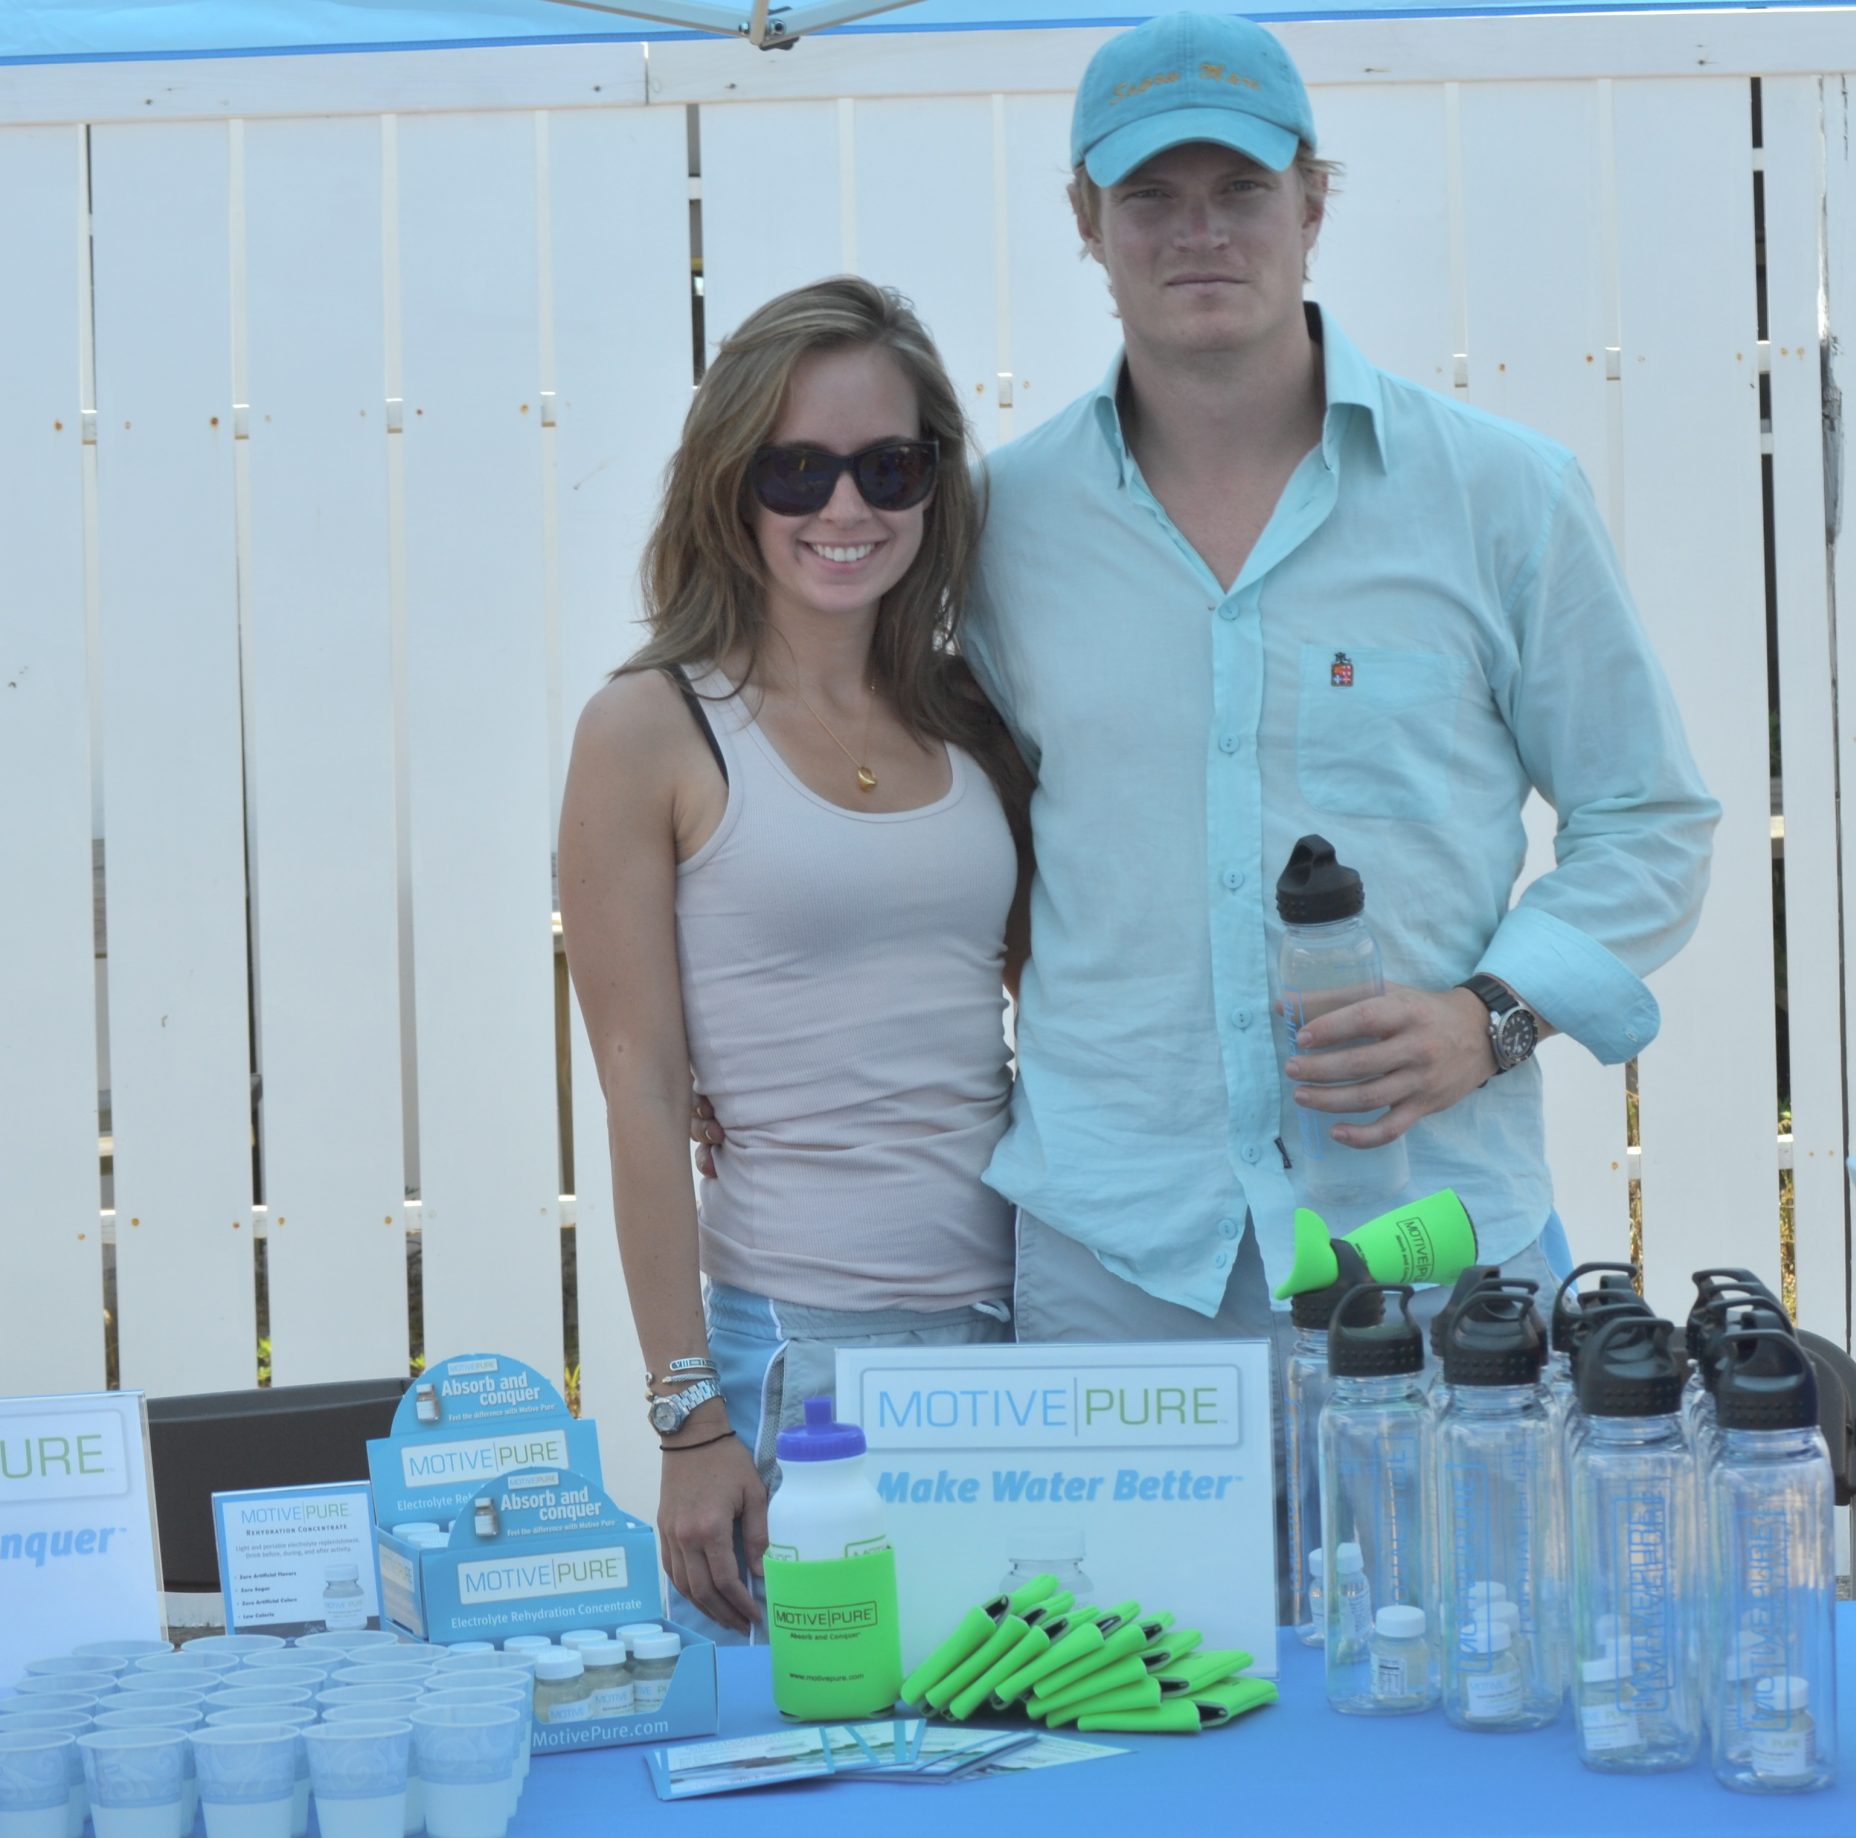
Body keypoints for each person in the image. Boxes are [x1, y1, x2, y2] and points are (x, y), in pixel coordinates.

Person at [964, 13, 1721, 1338]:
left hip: (1432, 1243)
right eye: (1150, 193)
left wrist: (1488, 1015)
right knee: (1099, 1570)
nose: (1201, 230)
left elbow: (1650, 821)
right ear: (1085, 217)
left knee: (1452, 1559)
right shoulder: (998, 533)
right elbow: (921, 835)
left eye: (1243, 187)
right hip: (1118, 1261)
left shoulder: (1501, 497)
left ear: (1315, 199)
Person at [560, 277, 1030, 1635]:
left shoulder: (969, 714)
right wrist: (686, 1415)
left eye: (889, 465)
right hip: (807, 1357)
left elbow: (1042, 996)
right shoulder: (651, 728)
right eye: (796, 470)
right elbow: (642, 1093)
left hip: (1028, 1328)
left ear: (935, 482)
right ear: (729, 483)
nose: (846, 509)